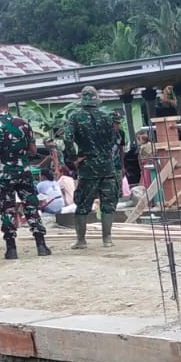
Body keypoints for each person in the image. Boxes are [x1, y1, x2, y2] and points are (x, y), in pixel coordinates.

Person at [0, 95, 49, 259]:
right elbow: (33, 150)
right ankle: (41, 245)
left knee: (7, 209)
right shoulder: (23, 123)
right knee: (31, 207)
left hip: (4, 174)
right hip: (24, 172)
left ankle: (11, 249)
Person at [64, 85, 121, 248]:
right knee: (108, 204)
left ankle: (81, 240)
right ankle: (107, 239)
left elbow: (67, 139)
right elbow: (115, 140)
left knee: (83, 204)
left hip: (87, 167)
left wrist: (73, 158)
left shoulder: (75, 118)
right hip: (107, 166)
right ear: (96, 100)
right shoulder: (107, 118)